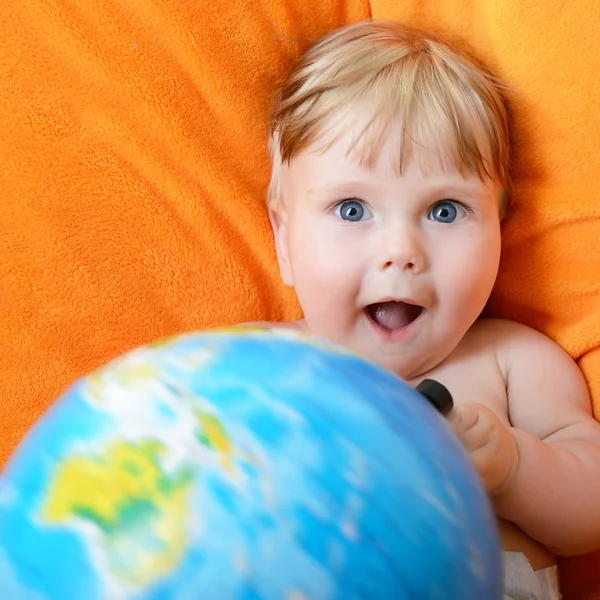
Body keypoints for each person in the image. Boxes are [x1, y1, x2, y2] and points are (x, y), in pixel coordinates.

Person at [245, 19, 600, 599]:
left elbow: (592, 509)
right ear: (283, 241)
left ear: (500, 232)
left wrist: (513, 470)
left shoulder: (513, 363)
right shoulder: (255, 364)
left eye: (444, 211)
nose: (401, 254)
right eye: (353, 209)